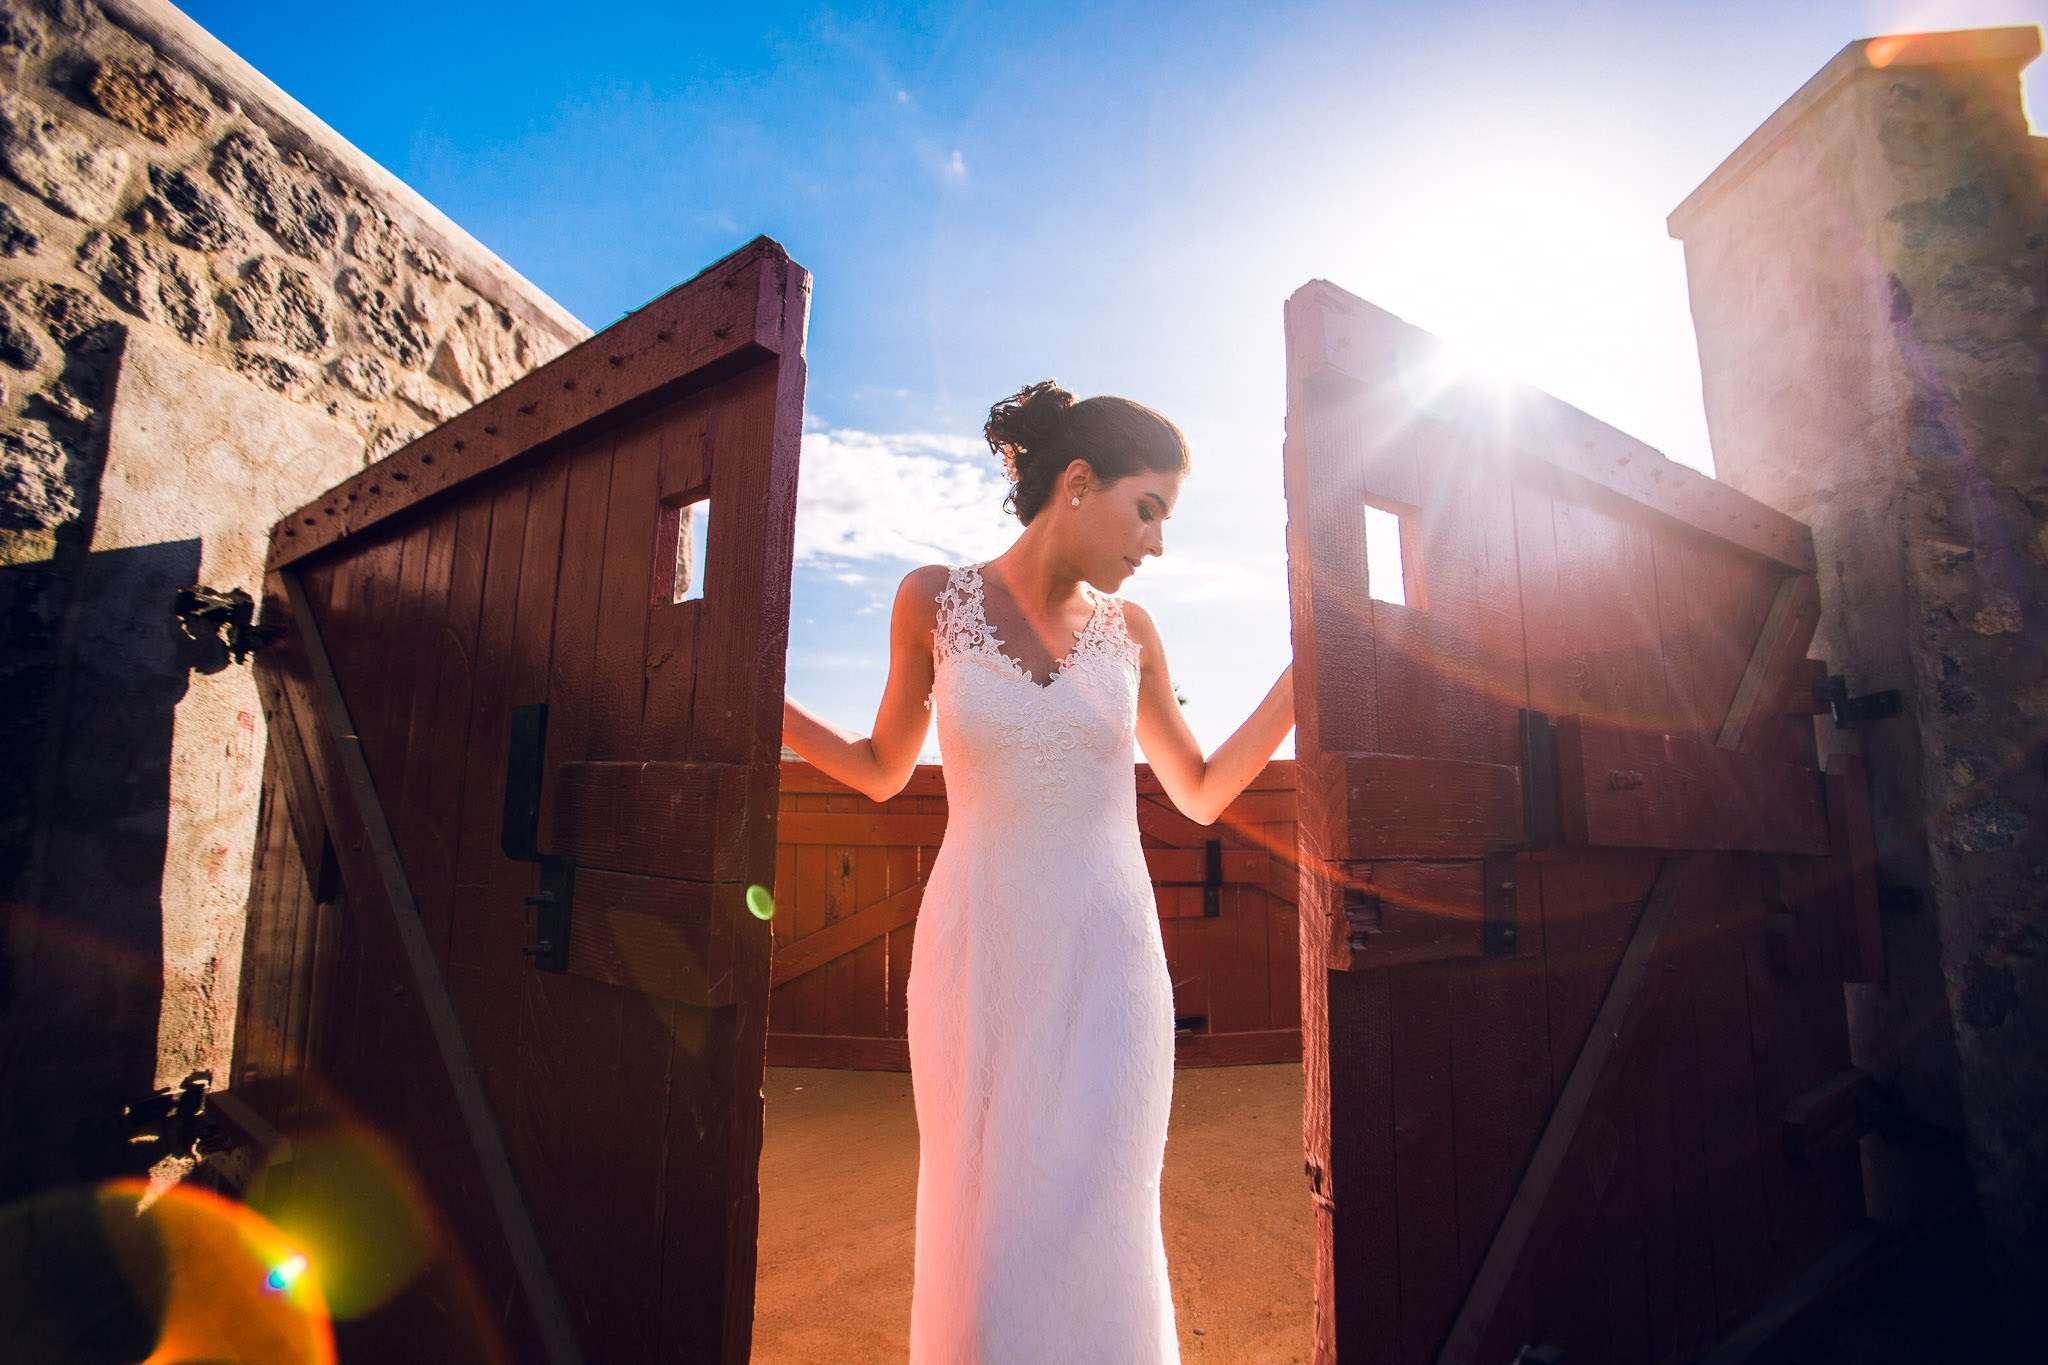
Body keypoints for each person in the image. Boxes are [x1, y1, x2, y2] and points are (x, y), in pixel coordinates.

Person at [780, 380, 1295, 1363]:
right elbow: (882, 771)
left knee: (1099, 1196)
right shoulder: (932, 600)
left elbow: (1194, 790)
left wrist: (1294, 682)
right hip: (976, 950)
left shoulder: (1131, 636)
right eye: (1146, 509)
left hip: (1109, 958)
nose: (1155, 544)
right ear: (1075, 481)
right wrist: (765, 702)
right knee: (982, 1204)